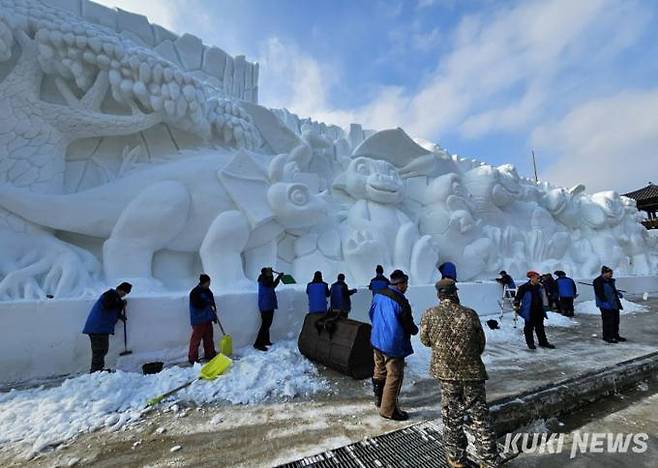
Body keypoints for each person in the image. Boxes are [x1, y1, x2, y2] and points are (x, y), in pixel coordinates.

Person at [420, 279, 500, 468]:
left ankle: (456, 459)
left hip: (447, 375)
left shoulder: (429, 314)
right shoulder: (469, 314)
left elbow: (424, 340)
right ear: (455, 293)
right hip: (472, 373)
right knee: (480, 417)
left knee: (451, 418)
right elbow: (480, 343)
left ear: (439, 294)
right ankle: (488, 461)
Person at [369, 269, 418, 421]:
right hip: (392, 345)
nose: (407, 287)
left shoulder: (378, 294)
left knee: (379, 369)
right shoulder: (401, 301)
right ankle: (388, 410)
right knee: (394, 375)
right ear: (400, 284)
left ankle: (379, 399)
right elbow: (408, 325)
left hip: (376, 340)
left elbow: (371, 314)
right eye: (406, 284)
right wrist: (415, 330)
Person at [82, 282, 132, 373]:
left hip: (100, 327)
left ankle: (97, 370)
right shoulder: (110, 294)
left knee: (102, 349)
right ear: (119, 289)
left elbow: (111, 310)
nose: (123, 295)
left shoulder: (114, 297)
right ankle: (96, 371)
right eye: (124, 293)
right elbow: (108, 305)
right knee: (100, 350)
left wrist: (120, 316)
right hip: (97, 327)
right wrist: (121, 304)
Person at [514, 271, 555, 350]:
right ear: (532, 278)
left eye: (539, 278)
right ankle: (530, 344)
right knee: (529, 328)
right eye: (537, 278)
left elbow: (545, 296)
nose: (538, 279)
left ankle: (543, 342)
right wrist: (517, 305)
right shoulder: (524, 287)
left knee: (540, 327)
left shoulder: (540, 287)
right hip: (529, 311)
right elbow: (517, 297)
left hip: (539, 310)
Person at [188, 274, 218, 364]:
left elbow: (212, 304)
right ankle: (192, 358)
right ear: (203, 282)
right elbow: (197, 305)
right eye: (208, 282)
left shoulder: (208, 291)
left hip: (207, 319)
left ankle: (210, 354)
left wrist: (214, 315)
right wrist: (206, 302)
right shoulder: (195, 292)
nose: (209, 284)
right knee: (196, 340)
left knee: (209, 339)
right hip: (198, 320)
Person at [593, 266, 625, 343]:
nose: (611, 275)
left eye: (612, 273)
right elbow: (599, 293)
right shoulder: (598, 281)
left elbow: (612, 289)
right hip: (605, 305)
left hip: (614, 303)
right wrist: (604, 303)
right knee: (608, 321)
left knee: (616, 321)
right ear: (604, 273)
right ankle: (607, 336)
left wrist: (617, 293)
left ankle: (615, 335)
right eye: (610, 273)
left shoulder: (610, 281)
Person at [254, 267, 284, 351]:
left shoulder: (266, 279)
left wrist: (279, 277)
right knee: (265, 325)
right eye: (269, 272)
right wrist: (272, 275)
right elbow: (270, 283)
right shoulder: (264, 279)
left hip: (268, 304)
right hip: (265, 305)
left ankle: (266, 340)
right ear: (266, 273)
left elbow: (273, 285)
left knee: (267, 324)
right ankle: (258, 343)